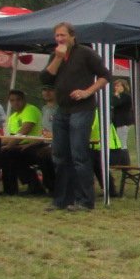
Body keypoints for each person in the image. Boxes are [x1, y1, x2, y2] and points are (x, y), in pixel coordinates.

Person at [39, 24, 110, 211]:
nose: (59, 39)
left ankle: (85, 200)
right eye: (57, 36)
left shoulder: (85, 53)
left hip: (82, 109)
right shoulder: (55, 55)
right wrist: (57, 58)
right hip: (62, 109)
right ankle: (62, 200)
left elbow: (105, 75)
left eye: (63, 35)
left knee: (79, 154)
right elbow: (45, 79)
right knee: (60, 155)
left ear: (72, 36)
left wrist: (88, 92)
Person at [0, 88, 50, 195]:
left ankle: (27, 187)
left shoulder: (30, 110)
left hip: (36, 144)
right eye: (12, 100)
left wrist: (9, 146)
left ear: (24, 100)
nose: (15, 103)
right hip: (20, 145)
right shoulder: (12, 117)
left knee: (8, 153)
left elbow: (24, 130)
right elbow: (10, 136)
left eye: (18, 100)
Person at [110, 78, 133, 152]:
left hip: (123, 121)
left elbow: (116, 103)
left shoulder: (126, 97)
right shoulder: (116, 96)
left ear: (123, 87)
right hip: (116, 121)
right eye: (115, 86)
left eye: (118, 86)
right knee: (116, 140)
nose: (116, 87)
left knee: (122, 141)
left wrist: (116, 96)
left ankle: (123, 155)